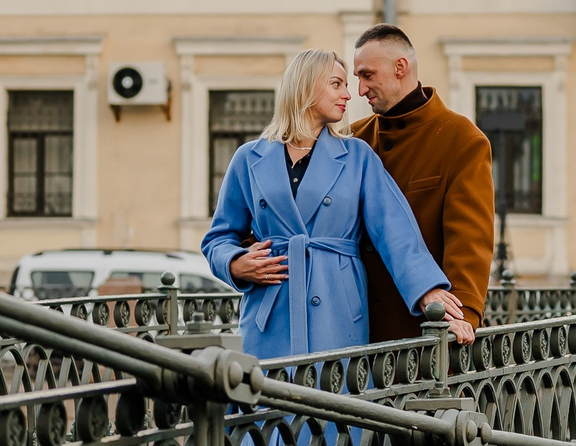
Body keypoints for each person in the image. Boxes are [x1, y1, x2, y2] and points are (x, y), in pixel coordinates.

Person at [203, 48, 470, 361]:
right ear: (306, 86)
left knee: (334, 402)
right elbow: (219, 237)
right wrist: (235, 263)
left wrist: (428, 291)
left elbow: (395, 231)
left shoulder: (357, 157)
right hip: (270, 313)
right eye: (336, 84)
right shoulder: (249, 158)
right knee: (268, 404)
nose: (348, 94)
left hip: (337, 309)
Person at [351, 24, 495, 343]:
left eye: (367, 75)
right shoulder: (352, 139)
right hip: (352, 334)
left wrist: (462, 317)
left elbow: (469, 239)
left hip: (420, 334)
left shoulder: (462, 140)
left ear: (400, 68)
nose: (360, 89)